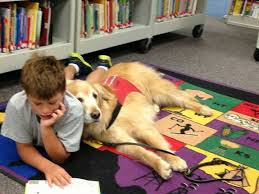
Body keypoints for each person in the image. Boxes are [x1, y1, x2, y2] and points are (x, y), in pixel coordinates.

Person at [1, 53, 112, 187]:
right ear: (26, 94)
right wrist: (48, 167)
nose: (45, 111)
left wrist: (46, 128)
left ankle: (103, 67)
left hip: (67, 90)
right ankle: (75, 64)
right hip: (56, 89)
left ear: (64, 92)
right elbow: (24, 148)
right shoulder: (17, 104)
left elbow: (60, 158)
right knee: (66, 78)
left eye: (52, 103)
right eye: (37, 104)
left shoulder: (74, 108)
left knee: (89, 85)